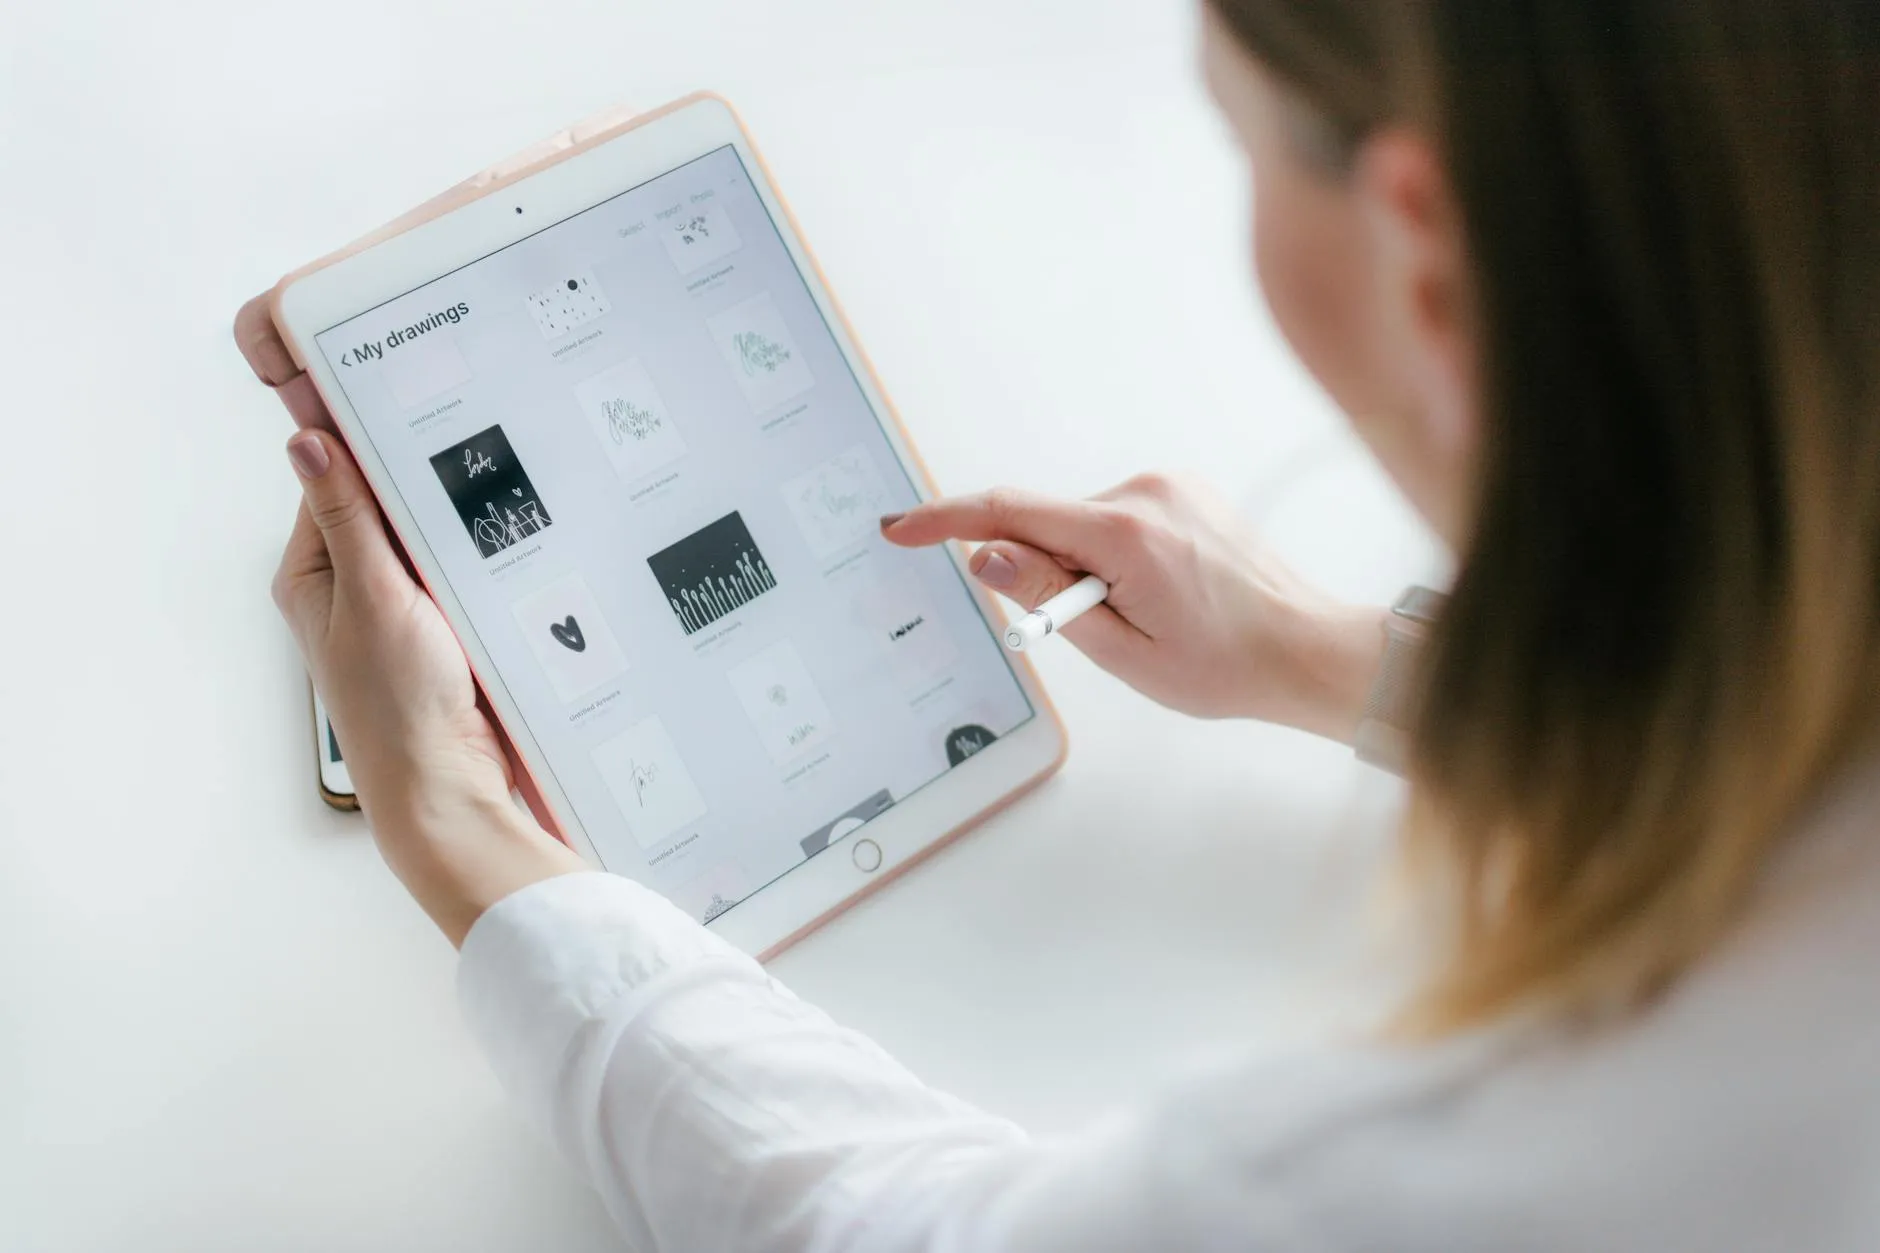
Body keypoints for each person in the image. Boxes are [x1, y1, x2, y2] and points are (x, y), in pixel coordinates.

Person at [234, 0, 1880, 1247]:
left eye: (1236, 140)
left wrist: (457, 828)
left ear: (1428, 262)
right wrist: (1332, 659)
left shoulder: (1498, 1157)